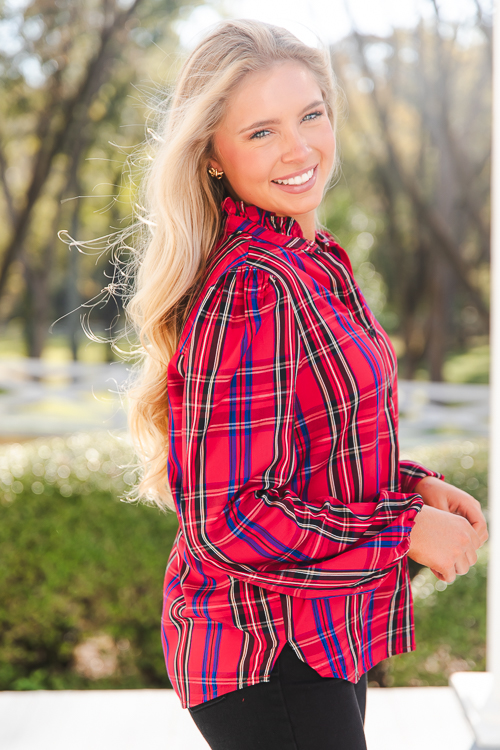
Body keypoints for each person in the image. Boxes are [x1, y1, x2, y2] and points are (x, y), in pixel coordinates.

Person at [125, 19, 489, 750]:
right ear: (214, 158)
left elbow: (314, 446)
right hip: (264, 653)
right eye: (261, 131)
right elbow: (230, 520)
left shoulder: (314, 259)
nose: (299, 149)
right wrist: (404, 530)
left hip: (314, 638)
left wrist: (409, 486)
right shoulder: (254, 285)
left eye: (311, 115)